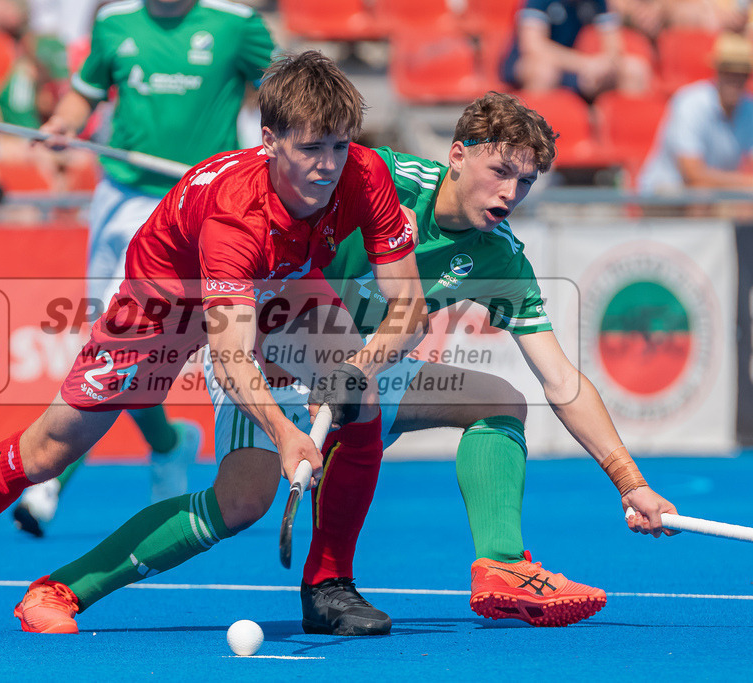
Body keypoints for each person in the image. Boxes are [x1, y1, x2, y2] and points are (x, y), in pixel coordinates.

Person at [0, 50, 430, 636]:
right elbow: (231, 357)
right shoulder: (235, 214)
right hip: (164, 299)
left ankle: (329, 584)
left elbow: (411, 310)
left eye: (339, 146)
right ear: (269, 141)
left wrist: (355, 369)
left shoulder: (364, 173)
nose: (327, 165)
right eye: (311, 148)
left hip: (282, 286)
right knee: (45, 451)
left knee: (361, 402)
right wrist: (286, 433)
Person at [209, 91, 679, 632]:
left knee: (500, 402)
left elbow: (561, 380)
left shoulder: (500, 256)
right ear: (457, 155)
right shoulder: (381, 178)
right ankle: (109, 581)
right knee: (237, 508)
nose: (511, 193)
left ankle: (501, 565)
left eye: (525, 182)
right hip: (273, 359)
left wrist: (630, 483)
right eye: (500, 171)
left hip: (361, 374)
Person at [10, 0, 276, 534]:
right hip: (117, 194)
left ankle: (51, 478)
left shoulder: (237, 23)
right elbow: (85, 94)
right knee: (109, 336)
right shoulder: (114, 21)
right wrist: (63, 124)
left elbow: (290, 98)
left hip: (193, 198)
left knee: (124, 336)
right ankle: (168, 443)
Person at [637, 32, 753, 194]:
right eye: (728, 71)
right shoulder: (690, 104)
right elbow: (693, 174)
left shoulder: (748, 109)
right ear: (717, 72)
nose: (735, 80)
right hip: (663, 191)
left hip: (713, 192)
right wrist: (746, 183)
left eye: (741, 74)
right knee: (702, 193)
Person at [501, 0, 651, 100]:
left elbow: (614, 47)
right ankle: (534, 131)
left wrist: (604, 66)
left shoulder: (599, 2)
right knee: (544, 72)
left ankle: (624, 132)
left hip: (572, 65)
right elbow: (533, 46)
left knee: (634, 69)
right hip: (526, 62)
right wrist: (585, 64)